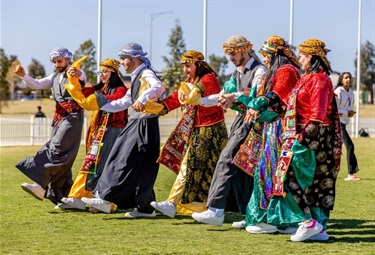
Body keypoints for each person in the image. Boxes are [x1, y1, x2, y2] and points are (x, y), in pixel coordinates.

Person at [267, 38, 342, 242]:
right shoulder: (305, 78)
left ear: (311, 57)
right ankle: (316, 228)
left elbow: (317, 115)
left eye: (302, 55)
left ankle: (309, 222)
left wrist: (300, 139)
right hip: (301, 136)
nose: (299, 59)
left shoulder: (320, 80)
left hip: (313, 137)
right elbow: (290, 105)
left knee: (291, 177)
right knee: (307, 182)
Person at [191, 34, 268, 227]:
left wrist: (234, 97)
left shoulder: (259, 70)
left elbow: (256, 93)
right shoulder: (237, 73)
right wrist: (198, 101)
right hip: (240, 122)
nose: (230, 58)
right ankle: (249, 214)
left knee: (227, 158)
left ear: (244, 50)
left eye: (233, 53)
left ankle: (216, 210)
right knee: (242, 168)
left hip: (254, 122)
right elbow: (222, 95)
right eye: (228, 54)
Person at [81, 43, 165, 216]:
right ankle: (145, 208)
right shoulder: (136, 77)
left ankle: (104, 198)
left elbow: (158, 87)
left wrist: (142, 99)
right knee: (144, 167)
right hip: (141, 124)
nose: (122, 63)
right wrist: (101, 106)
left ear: (134, 58)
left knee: (119, 157)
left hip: (143, 123)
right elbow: (125, 102)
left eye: (124, 59)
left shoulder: (146, 73)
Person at [231, 35, 301, 234]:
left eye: (267, 55)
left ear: (276, 54)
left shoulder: (286, 71)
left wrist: (257, 104)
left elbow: (276, 95)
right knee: (272, 173)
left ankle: (266, 218)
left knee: (272, 173)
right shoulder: (276, 72)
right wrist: (238, 101)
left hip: (279, 129)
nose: (265, 59)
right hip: (272, 129)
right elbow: (258, 97)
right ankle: (270, 218)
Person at [150, 50, 228, 218]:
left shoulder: (209, 79)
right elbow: (173, 100)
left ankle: (173, 203)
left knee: (192, 167)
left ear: (198, 65)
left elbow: (197, 93)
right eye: (184, 67)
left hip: (211, 131)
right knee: (194, 169)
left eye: (188, 66)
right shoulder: (188, 81)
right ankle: (190, 206)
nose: (186, 70)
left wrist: (191, 93)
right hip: (197, 131)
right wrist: (157, 107)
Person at [14, 47, 86, 205]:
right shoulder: (55, 76)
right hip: (60, 116)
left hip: (73, 116)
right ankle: (64, 196)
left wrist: (78, 74)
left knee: (56, 148)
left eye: (59, 61)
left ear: (68, 59)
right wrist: (23, 75)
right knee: (64, 156)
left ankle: (41, 185)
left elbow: (82, 78)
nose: (56, 64)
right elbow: (37, 84)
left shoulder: (75, 71)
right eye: (54, 62)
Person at [57, 58, 128, 210]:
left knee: (100, 163)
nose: (102, 75)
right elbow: (85, 92)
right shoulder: (101, 87)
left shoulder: (121, 90)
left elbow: (108, 100)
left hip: (113, 131)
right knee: (93, 162)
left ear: (113, 73)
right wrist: (76, 77)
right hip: (101, 131)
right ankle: (82, 196)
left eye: (105, 71)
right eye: (100, 71)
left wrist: (95, 99)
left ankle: (95, 198)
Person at [334, 72, 360, 181]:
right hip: (337, 123)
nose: (348, 79)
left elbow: (349, 106)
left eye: (349, 77)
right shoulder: (338, 92)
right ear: (341, 80)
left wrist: (350, 112)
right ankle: (350, 174)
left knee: (335, 149)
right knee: (350, 146)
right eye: (346, 78)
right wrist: (346, 113)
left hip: (343, 122)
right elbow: (333, 109)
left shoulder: (351, 93)